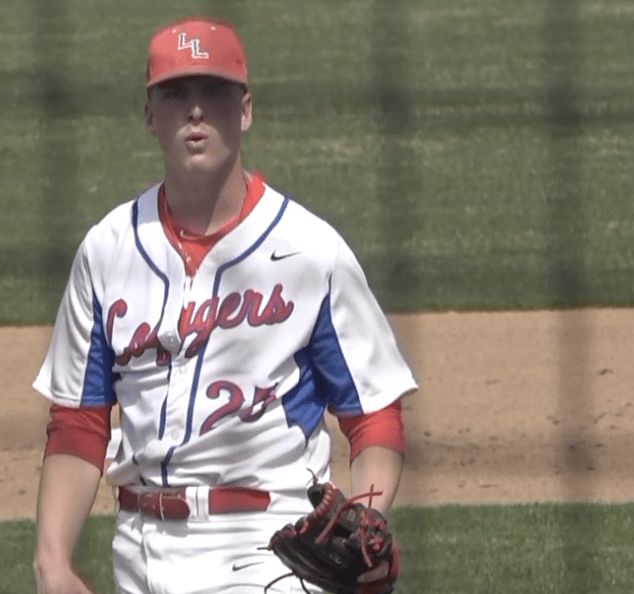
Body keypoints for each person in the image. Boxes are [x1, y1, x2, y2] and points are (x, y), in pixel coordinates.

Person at [32, 16, 418, 594]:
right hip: (138, 547)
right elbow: (79, 423)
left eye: (213, 92)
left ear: (245, 110)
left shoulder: (309, 250)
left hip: (268, 545)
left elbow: (374, 414)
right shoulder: (107, 250)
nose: (195, 110)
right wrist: (53, 562)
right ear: (149, 114)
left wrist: (364, 517)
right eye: (175, 94)